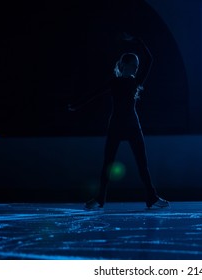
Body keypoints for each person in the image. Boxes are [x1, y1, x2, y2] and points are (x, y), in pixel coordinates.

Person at [69, 34, 169, 210]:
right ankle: (100, 198)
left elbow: (150, 59)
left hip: (133, 126)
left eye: (137, 66)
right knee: (108, 164)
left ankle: (151, 197)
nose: (137, 69)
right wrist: (76, 105)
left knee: (142, 165)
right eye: (133, 65)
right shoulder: (114, 82)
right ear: (124, 65)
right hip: (116, 125)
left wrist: (139, 41)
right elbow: (94, 93)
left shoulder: (136, 82)